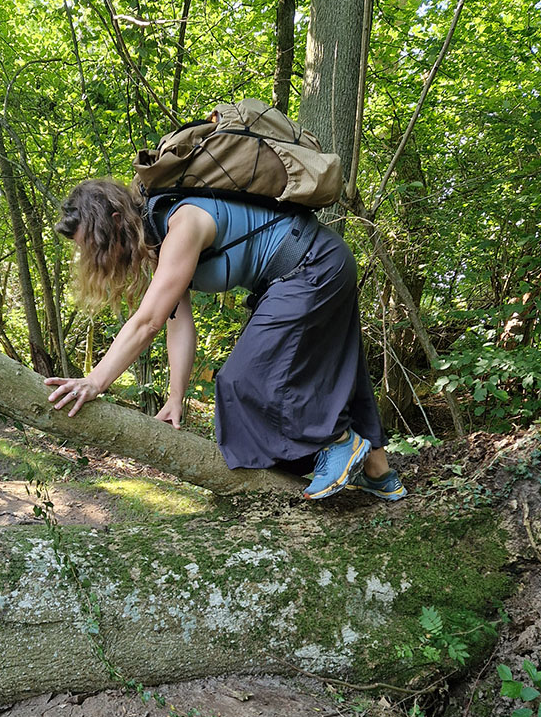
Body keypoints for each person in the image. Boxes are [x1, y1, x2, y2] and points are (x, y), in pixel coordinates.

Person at [45, 178, 406, 502]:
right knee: (339, 365)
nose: (95, 257)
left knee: (243, 380)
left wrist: (94, 381)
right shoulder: (161, 241)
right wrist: (175, 398)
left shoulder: (182, 223)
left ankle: (339, 441)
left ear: (114, 218)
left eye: (94, 244)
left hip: (310, 266)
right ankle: (379, 473)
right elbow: (177, 324)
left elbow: (148, 322)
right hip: (321, 261)